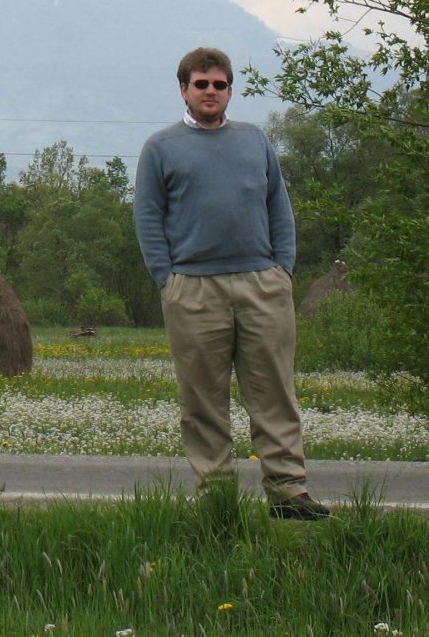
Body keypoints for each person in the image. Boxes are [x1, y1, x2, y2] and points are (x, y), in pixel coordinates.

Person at [133, 47, 330, 520]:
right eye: (201, 84)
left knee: (275, 391)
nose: (210, 92)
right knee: (202, 398)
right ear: (184, 89)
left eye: (219, 84)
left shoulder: (255, 140)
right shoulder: (161, 148)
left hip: (262, 285)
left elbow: (278, 207)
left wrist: (282, 269)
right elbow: (147, 217)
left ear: (229, 90)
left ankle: (287, 492)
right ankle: (217, 496)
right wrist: (168, 280)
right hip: (193, 290)